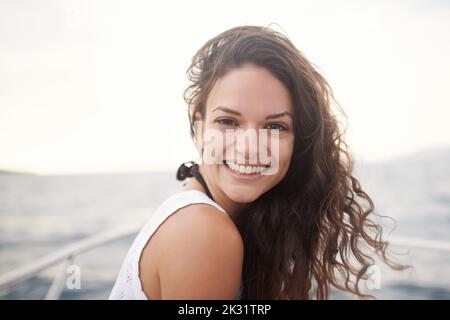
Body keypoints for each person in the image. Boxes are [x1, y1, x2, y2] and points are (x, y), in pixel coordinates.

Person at [109, 25, 405, 300]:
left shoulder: (215, 214)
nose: (249, 148)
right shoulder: (202, 232)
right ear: (200, 128)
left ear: (298, 141)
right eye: (227, 121)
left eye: (274, 127)